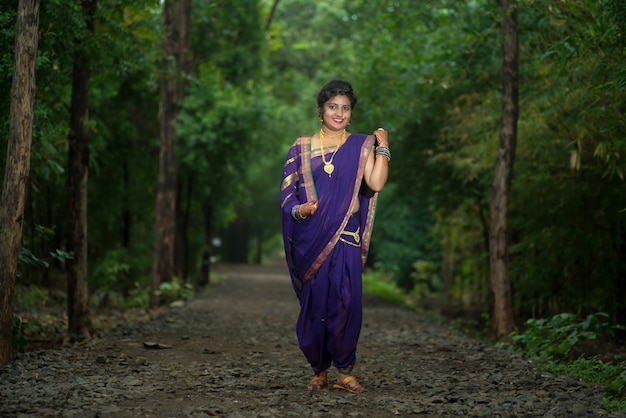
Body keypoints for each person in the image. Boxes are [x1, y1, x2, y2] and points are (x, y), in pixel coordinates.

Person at [279, 79, 390, 393]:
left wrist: (383, 146)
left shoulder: (359, 146)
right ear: (321, 110)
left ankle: (344, 371)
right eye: (333, 107)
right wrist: (300, 211)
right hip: (311, 239)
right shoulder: (301, 147)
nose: (339, 113)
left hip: (346, 238)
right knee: (316, 306)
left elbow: (377, 183)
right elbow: (287, 196)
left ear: (351, 113)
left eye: (345, 108)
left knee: (346, 302)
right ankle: (319, 370)